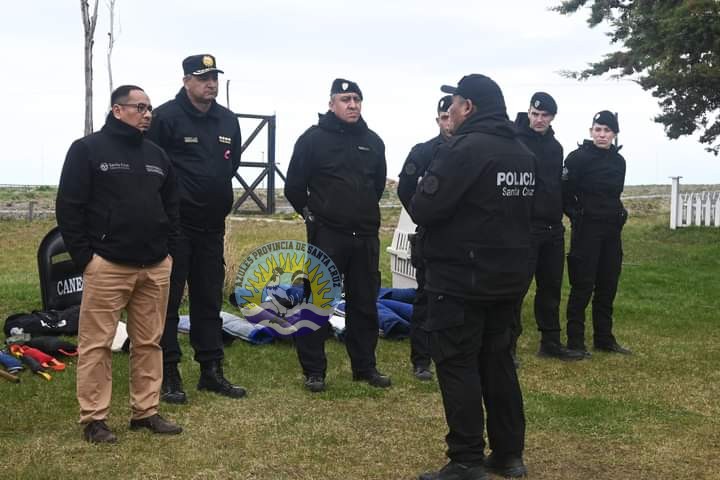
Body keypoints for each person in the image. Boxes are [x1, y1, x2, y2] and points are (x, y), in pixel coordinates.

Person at [411, 74, 532, 480]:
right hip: (509, 277)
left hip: (461, 278)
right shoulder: (521, 150)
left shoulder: (465, 148)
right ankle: (509, 454)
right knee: (498, 362)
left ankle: (465, 459)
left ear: (471, 107)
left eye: (456, 102)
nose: (451, 109)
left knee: (457, 362)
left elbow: (425, 207)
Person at [56, 85, 182, 443]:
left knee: (148, 343)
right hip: (107, 266)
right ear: (117, 110)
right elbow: (69, 208)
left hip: (154, 266)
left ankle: (146, 412)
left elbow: (172, 207)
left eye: (150, 108)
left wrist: (168, 251)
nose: (147, 114)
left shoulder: (157, 155)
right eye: (139, 107)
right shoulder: (87, 151)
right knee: (97, 344)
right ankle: (94, 419)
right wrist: (87, 259)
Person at [147, 54, 246, 403]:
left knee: (208, 300)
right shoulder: (165, 117)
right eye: (203, 78)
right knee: (170, 301)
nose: (211, 84)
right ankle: (169, 371)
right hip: (176, 227)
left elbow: (229, 164)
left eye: (214, 77)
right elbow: (151, 166)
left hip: (211, 226)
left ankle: (211, 369)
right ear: (186, 79)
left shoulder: (227, 120)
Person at [284, 78, 389, 393]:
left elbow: (378, 185)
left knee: (365, 304)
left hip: (365, 236)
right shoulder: (313, 140)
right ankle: (314, 371)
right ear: (331, 103)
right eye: (345, 99)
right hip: (328, 235)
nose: (353, 105)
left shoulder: (373, 142)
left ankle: (365, 367)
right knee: (317, 301)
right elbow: (293, 186)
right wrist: (313, 216)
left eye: (357, 99)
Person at [510, 93, 585, 363]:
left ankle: (551, 342)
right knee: (515, 289)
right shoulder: (514, 140)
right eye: (535, 114)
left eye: (545, 115)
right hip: (524, 228)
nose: (539, 119)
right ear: (528, 113)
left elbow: (558, 186)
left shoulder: (556, 147)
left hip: (553, 228)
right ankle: (508, 346)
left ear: (553, 117)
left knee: (551, 287)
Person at [562, 111, 631, 356]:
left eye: (607, 131)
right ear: (591, 131)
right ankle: (575, 341)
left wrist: (621, 213)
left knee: (608, 284)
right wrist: (577, 216)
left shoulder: (619, 161)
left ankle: (604, 338)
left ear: (614, 134)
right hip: (587, 230)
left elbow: (615, 194)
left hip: (611, 231)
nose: (602, 135)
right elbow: (565, 194)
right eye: (598, 129)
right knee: (582, 285)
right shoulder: (577, 158)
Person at [397, 95, 453, 381]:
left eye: (452, 116)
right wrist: (420, 215)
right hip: (431, 235)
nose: (449, 122)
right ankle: (421, 359)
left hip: (462, 239)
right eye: (444, 118)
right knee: (426, 299)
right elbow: (405, 188)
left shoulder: (472, 149)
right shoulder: (423, 152)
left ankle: (453, 354)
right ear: (438, 120)